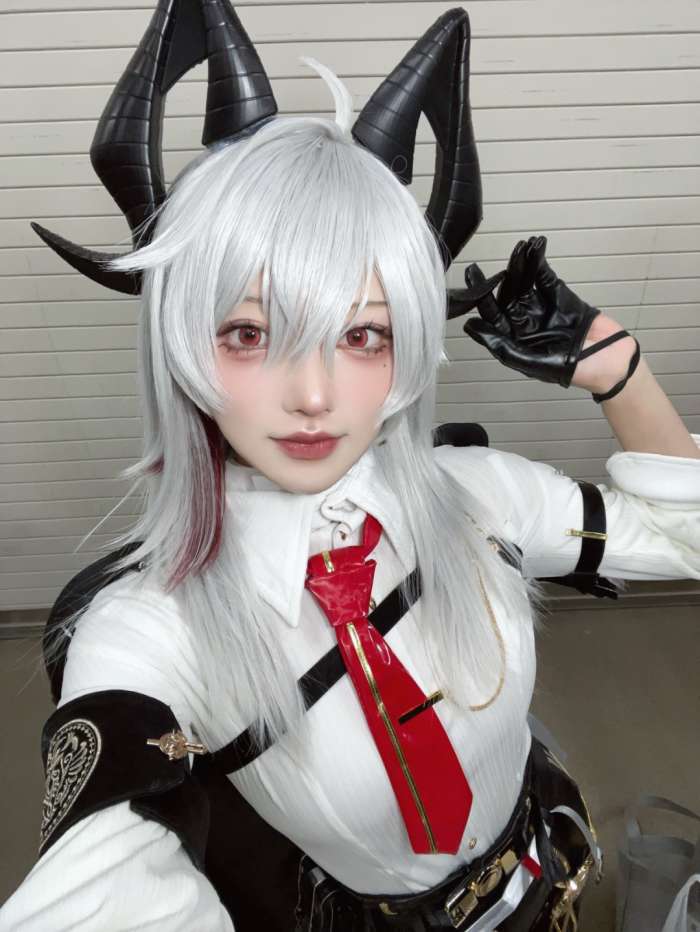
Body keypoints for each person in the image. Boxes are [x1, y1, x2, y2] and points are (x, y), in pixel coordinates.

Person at [1, 1, 698, 929]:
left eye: (363, 334)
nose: (315, 395)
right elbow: (100, 890)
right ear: (178, 342)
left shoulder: (480, 499)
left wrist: (620, 372)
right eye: (249, 333)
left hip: (547, 869)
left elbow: (687, 540)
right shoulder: (147, 627)